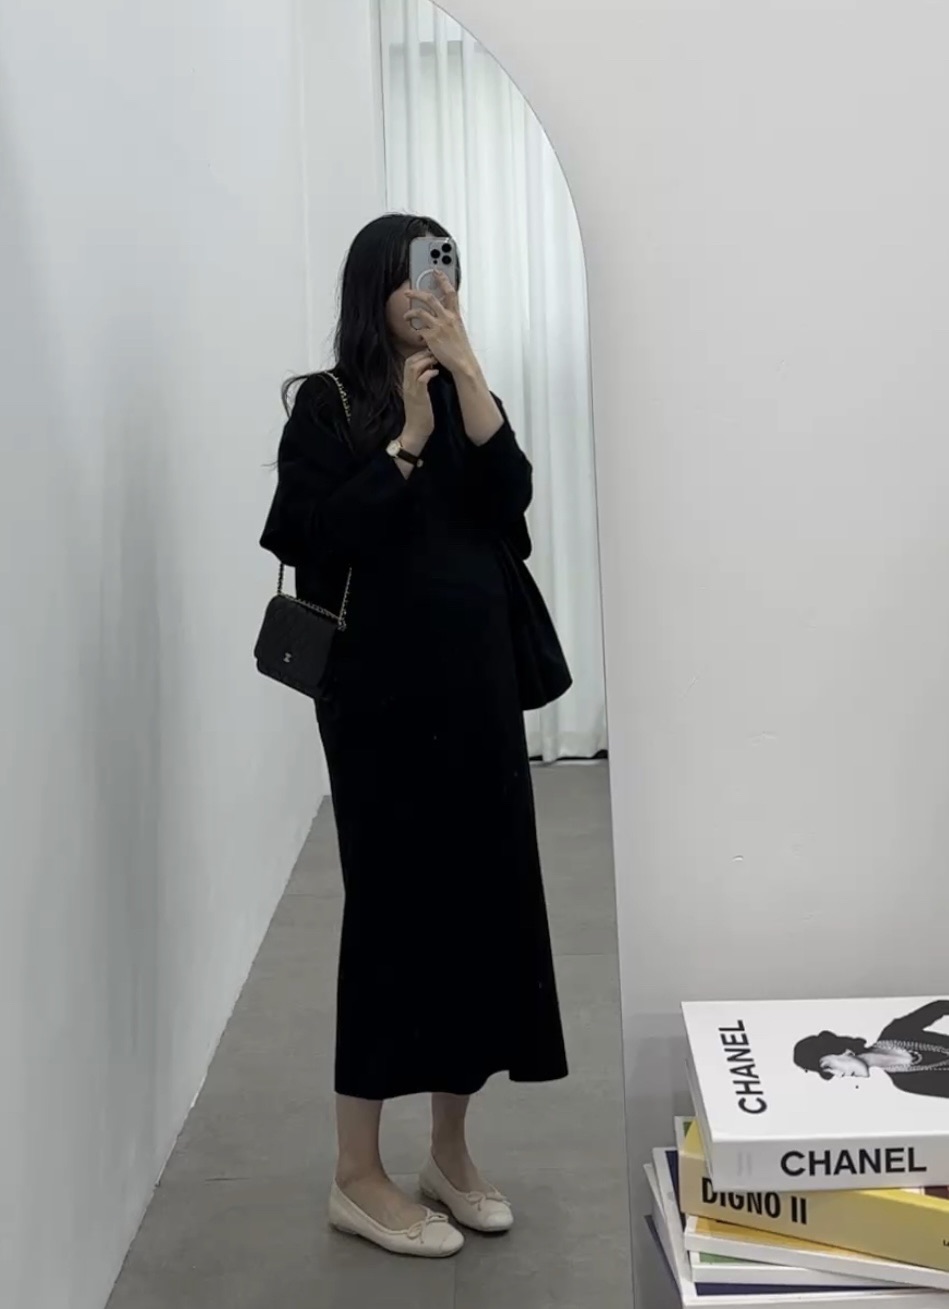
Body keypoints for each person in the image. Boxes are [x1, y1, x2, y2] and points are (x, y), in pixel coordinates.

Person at [260, 214, 569, 1257]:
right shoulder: (329, 402)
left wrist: (467, 376)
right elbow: (310, 536)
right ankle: (357, 1173)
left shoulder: (466, 387)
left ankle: (449, 1150)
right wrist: (404, 443)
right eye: (409, 274)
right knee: (393, 917)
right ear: (372, 287)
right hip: (377, 701)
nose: (426, 291)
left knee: (479, 910)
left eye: (441, 272)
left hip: (475, 689)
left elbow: (512, 504)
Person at [793, 1000, 949, 1099]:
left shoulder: (895, 1032)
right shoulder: (906, 1083)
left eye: (829, 1066)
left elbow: (940, 1007)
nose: (839, 1075)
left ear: (840, 1050)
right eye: (830, 1074)